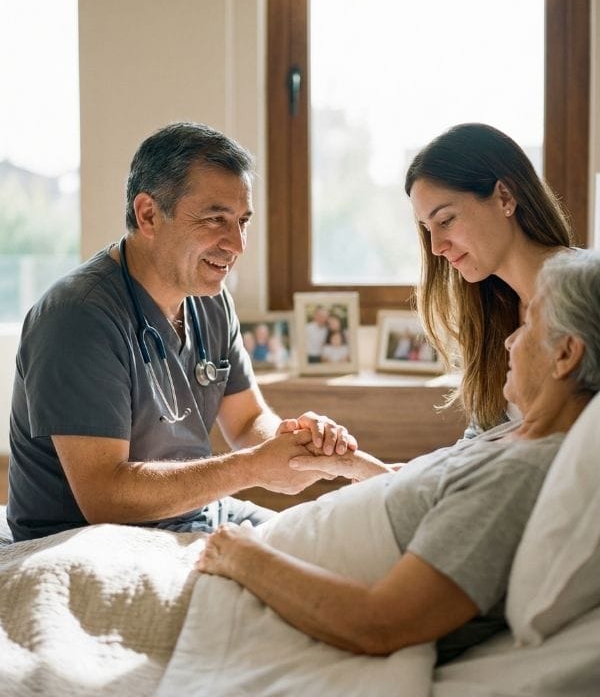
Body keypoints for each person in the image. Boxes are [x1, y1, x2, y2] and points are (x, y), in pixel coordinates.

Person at [198, 248, 600, 662]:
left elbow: (380, 624)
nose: (510, 339)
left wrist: (239, 555)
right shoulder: (514, 436)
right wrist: (348, 465)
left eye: (530, 323)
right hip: (250, 566)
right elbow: (435, 506)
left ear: (566, 354)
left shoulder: (519, 474)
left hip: (243, 585)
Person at [7, 122, 355, 542]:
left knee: (331, 540)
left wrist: (291, 445)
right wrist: (253, 467)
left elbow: (246, 420)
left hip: (196, 514)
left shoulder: (209, 298)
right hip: (88, 536)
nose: (237, 244)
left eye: (243, 220)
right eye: (215, 219)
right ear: (149, 215)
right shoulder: (78, 318)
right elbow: (104, 496)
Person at [404, 122, 574, 434]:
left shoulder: (587, 292)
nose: (437, 247)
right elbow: (472, 454)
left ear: (505, 196)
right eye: (428, 228)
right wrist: (361, 466)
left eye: (447, 219)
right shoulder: (490, 311)